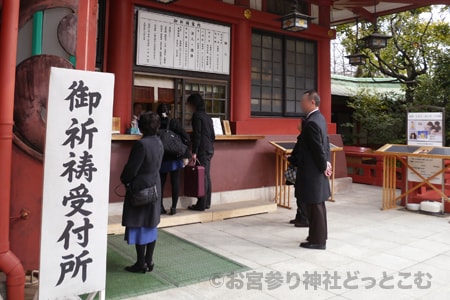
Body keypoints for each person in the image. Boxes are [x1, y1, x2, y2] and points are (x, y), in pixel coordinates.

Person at [120, 112, 164, 273]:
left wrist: (125, 180)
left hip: (140, 187)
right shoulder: (158, 141)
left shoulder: (142, 144)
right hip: (155, 185)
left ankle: (140, 263)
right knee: (151, 223)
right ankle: (149, 260)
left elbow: (131, 169)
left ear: (141, 126)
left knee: (139, 224)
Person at [289, 90, 332, 250]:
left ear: (312, 102)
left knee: (315, 206)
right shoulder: (319, 118)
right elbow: (325, 144)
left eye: (303, 101)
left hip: (312, 171)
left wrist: (323, 166)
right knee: (316, 205)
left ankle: (318, 240)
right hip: (317, 169)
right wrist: (327, 163)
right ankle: (317, 236)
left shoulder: (312, 122)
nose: (301, 104)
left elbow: (317, 149)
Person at [157, 103, 191, 215]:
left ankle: (160, 207)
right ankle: (174, 207)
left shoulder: (156, 124)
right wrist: (186, 153)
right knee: (175, 182)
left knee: (160, 183)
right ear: (169, 112)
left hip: (161, 157)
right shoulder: (174, 122)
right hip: (175, 156)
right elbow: (186, 137)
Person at [186, 93, 215, 211]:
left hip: (202, 149)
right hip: (209, 148)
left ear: (193, 104)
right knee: (206, 176)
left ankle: (201, 204)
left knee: (202, 176)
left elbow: (197, 135)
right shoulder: (207, 117)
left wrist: (194, 151)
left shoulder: (196, 116)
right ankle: (206, 202)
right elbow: (213, 135)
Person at [288, 117, 309, 228]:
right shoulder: (301, 137)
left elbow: (300, 156)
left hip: (301, 169)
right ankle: (299, 216)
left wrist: (291, 159)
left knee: (301, 196)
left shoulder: (304, 139)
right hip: (299, 169)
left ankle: (304, 218)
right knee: (298, 195)